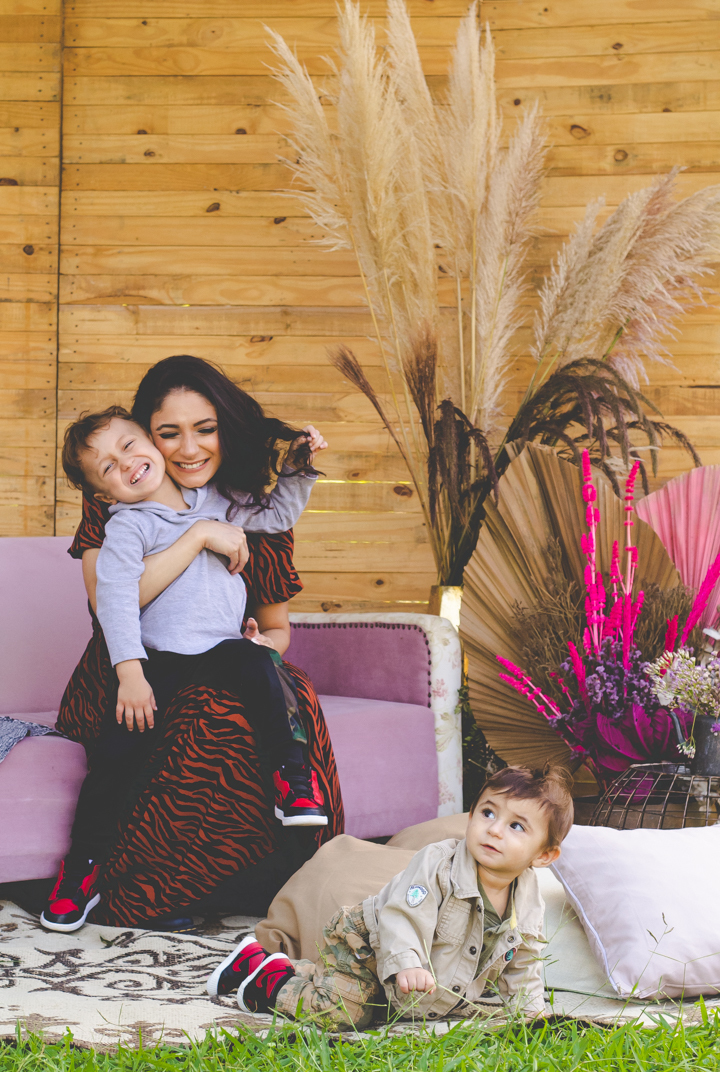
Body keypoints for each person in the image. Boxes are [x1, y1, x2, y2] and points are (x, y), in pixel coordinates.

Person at [52, 356, 344, 930]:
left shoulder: (226, 499)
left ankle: (293, 790)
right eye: (108, 467)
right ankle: (83, 870)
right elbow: (112, 600)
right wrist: (131, 673)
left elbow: (279, 514)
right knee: (115, 760)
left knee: (263, 669)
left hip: (218, 652)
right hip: (150, 660)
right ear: (100, 489)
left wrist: (299, 468)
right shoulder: (125, 522)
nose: (129, 465)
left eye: (203, 429)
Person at [207, 766, 574, 1029]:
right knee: (344, 1014)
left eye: (515, 826)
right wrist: (408, 962)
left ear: (543, 856)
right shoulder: (437, 865)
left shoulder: (527, 900)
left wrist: (530, 1014)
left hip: (410, 984)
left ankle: (286, 966)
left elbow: (525, 958)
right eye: (488, 812)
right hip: (367, 946)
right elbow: (400, 915)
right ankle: (268, 981)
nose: (494, 829)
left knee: (386, 1010)